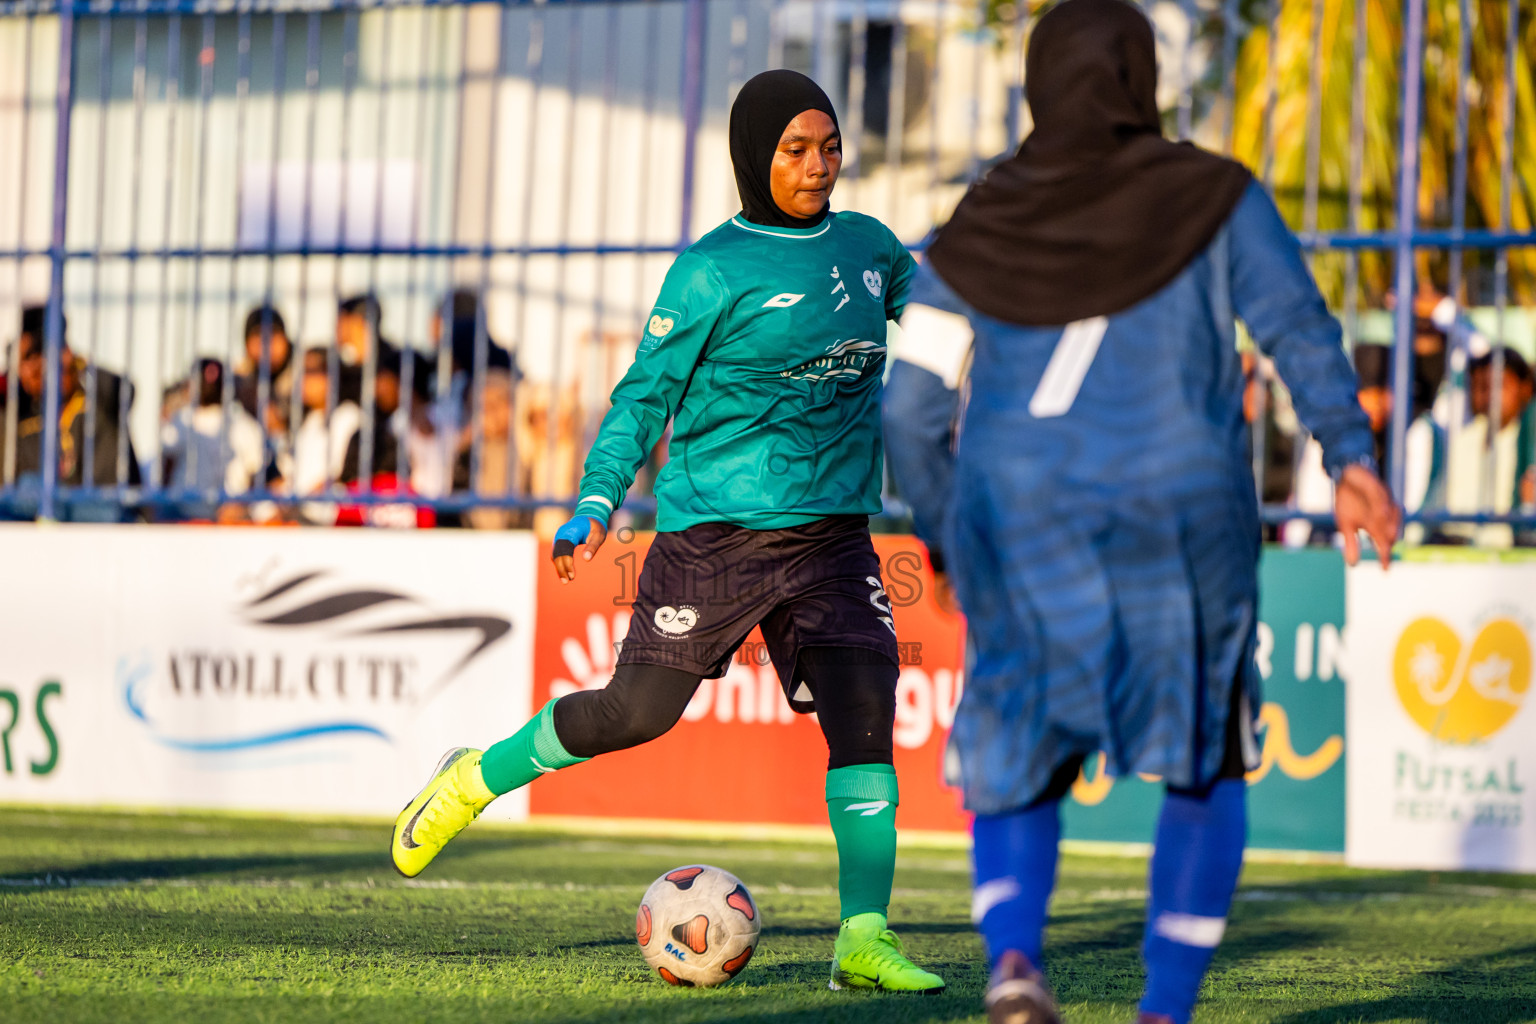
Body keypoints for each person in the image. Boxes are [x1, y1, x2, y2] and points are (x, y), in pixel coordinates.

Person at [880, 4, 1398, 1023]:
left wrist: (952, 533)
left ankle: (1018, 961)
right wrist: (1351, 455)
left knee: (1017, 754)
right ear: (1143, 78)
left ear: (1037, 84)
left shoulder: (980, 220)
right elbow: (1296, 325)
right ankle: (1163, 1008)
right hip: (1180, 515)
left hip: (1019, 517)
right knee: (1204, 758)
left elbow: (907, 408)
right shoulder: (1215, 196)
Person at [389, 70, 945, 995]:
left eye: (831, 147)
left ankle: (862, 937)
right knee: (634, 715)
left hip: (835, 540)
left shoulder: (872, 250)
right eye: (796, 149)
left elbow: (938, 329)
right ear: (752, 157)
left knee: (867, 713)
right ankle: (474, 775)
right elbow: (642, 398)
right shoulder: (712, 269)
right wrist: (598, 500)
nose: (818, 166)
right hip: (717, 537)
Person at [3, 304, 142, 491]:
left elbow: (126, 391)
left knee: (29, 487)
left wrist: (76, 364)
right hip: (57, 512)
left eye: (32, 360)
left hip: (108, 508)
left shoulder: (97, 395)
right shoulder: (27, 414)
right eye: (20, 365)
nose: (25, 374)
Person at [1441, 347, 1535, 548]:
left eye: (1499, 385)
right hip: (1458, 548)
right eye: (1481, 386)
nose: (1488, 395)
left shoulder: (1528, 441)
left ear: (1525, 388)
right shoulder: (1463, 440)